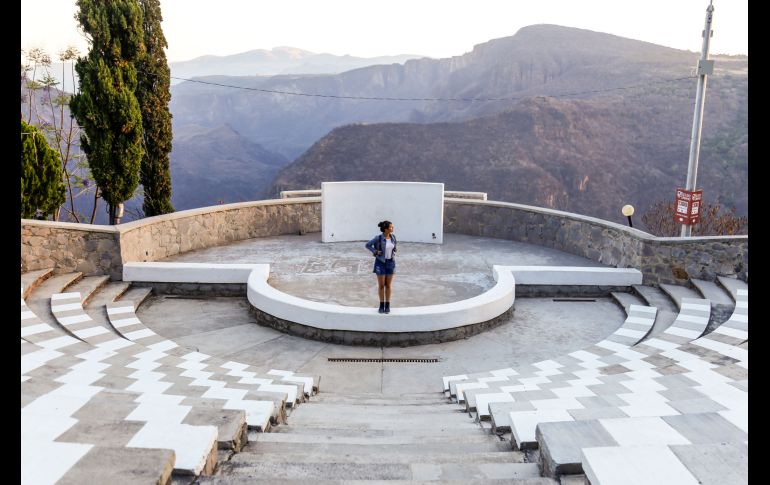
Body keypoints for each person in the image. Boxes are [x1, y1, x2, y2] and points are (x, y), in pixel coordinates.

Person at [365, 220, 397, 314]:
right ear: (386, 229)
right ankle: (381, 305)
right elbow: (368, 245)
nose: (393, 228)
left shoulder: (393, 237)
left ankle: (387, 305)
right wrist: (375, 252)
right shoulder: (378, 238)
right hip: (380, 263)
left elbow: (394, 247)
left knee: (388, 285)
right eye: (391, 227)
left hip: (391, 262)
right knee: (382, 285)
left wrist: (394, 250)